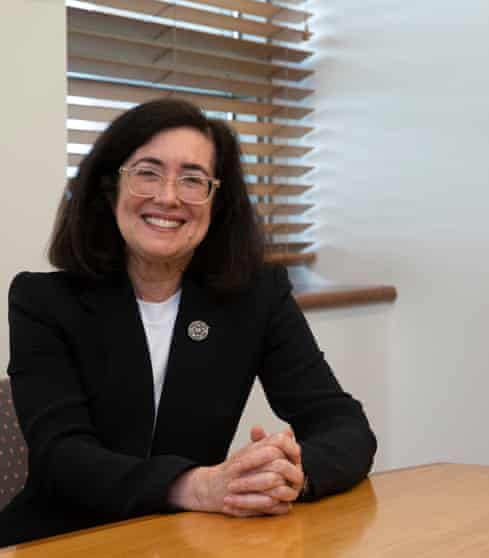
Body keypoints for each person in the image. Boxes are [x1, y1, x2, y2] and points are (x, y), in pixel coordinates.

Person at [0, 99, 376, 545]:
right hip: (64, 541)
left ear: (217, 202)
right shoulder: (43, 300)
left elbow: (343, 423)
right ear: (109, 189)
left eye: (193, 179)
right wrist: (198, 486)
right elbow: (62, 457)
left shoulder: (256, 298)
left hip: (189, 541)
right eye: (147, 172)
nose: (168, 196)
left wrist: (289, 472)